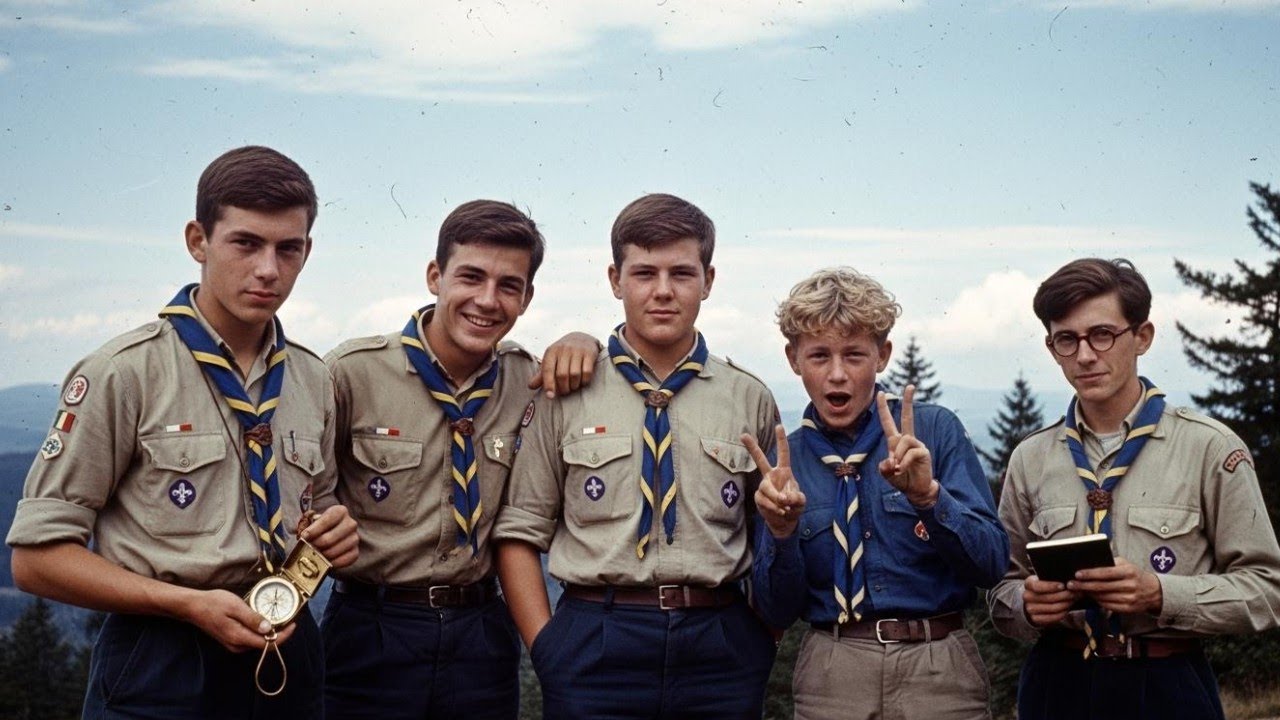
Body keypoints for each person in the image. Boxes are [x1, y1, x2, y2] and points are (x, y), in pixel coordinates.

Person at [6, 145, 360, 719]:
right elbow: (36, 559)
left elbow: (313, 512)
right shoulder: (123, 371)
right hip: (161, 655)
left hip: (288, 649)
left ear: (306, 252)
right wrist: (187, 604)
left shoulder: (313, 379)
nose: (268, 269)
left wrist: (332, 534)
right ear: (198, 240)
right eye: (245, 243)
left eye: (287, 249)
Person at [493, 193, 779, 719]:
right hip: (595, 639)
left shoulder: (749, 398)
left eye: (682, 273)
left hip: (719, 647)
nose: (663, 291)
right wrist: (548, 649)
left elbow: (772, 540)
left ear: (708, 281)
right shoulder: (567, 389)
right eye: (644, 272)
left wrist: (756, 640)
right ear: (614, 279)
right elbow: (519, 531)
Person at [321, 199, 597, 719]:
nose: (487, 300)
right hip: (370, 627)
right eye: (471, 277)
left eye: (508, 286)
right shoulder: (351, 374)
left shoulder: (530, 382)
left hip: (481, 633)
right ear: (435, 276)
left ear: (527, 297)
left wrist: (585, 340)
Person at [988, 258, 1280, 720]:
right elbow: (1000, 587)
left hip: (1168, 684)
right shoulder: (1031, 457)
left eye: (1102, 334)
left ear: (1142, 336)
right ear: (1051, 347)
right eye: (1067, 339)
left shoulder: (1209, 448)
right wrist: (1025, 603)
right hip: (1056, 684)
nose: (1085, 355)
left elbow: (1268, 591)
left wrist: (1160, 594)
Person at [749, 267, 1008, 720]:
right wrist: (781, 532)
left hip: (938, 666)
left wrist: (929, 498)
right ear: (793, 359)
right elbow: (776, 608)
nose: (836, 376)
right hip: (832, 671)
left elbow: (990, 564)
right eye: (818, 356)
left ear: (883, 355)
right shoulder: (785, 462)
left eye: (854, 355)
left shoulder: (935, 431)